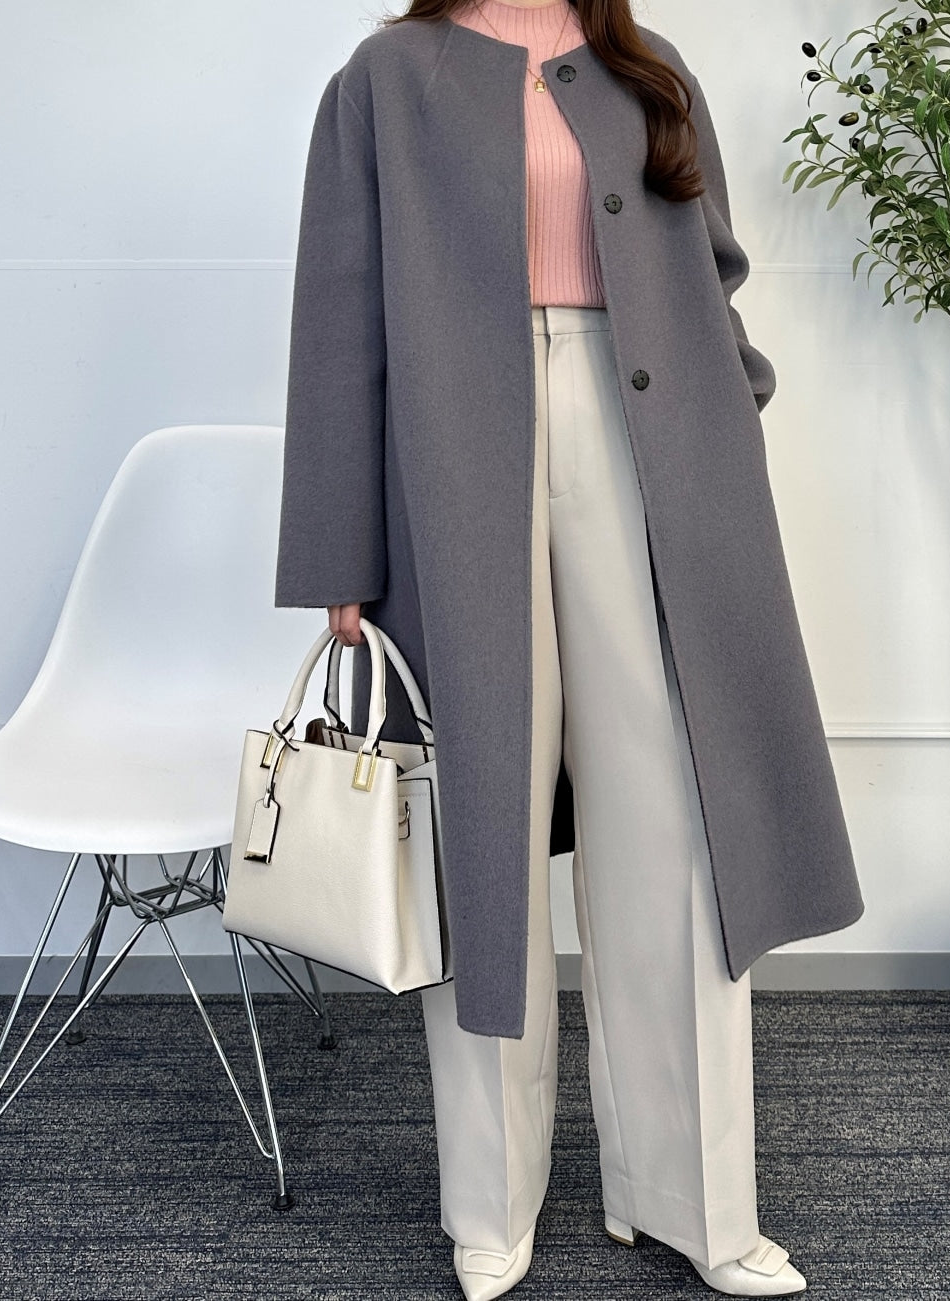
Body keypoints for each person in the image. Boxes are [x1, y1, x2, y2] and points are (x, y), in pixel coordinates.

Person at [274, 0, 866, 1297]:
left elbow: (709, 267)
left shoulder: (645, 72)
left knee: (676, 830)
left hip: (647, 436)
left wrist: (732, 413)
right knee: (483, 840)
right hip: (455, 453)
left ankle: (699, 1205)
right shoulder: (385, 79)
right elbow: (339, 314)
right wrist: (338, 556)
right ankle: (491, 1206)